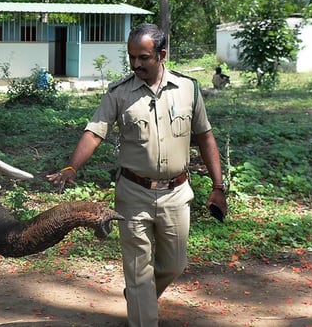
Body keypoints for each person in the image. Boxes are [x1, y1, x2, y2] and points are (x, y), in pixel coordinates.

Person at [47, 23, 228, 327]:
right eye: (132, 57)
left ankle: (138, 296)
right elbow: (94, 133)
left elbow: (206, 137)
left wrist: (218, 186)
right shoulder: (119, 93)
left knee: (174, 264)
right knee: (139, 271)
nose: (136, 64)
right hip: (133, 194)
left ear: (162, 55)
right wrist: (71, 167)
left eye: (143, 57)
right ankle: (142, 309)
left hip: (176, 193)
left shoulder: (188, 89)